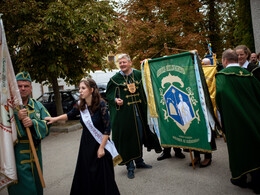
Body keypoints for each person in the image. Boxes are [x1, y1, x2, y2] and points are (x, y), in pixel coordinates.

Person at [45, 78, 120, 195]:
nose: (80, 91)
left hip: (100, 144)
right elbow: (69, 115)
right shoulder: (81, 105)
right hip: (86, 145)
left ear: (91, 90)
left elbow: (107, 129)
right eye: (79, 88)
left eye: (83, 88)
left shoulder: (101, 104)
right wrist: (55, 118)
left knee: (102, 175)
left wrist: (101, 148)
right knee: (86, 173)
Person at [106, 54, 162, 179]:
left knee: (140, 137)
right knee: (128, 140)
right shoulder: (115, 79)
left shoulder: (138, 74)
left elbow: (147, 88)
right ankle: (130, 167)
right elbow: (108, 94)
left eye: (124, 62)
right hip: (124, 115)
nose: (122, 65)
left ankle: (140, 162)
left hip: (139, 113)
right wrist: (115, 100)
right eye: (120, 63)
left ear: (130, 63)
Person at [216, 49, 260, 193]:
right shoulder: (249, 75)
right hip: (254, 118)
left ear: (225, 61)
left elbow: (220, 95)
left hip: (235, 121)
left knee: (238, 149)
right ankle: (256, 180)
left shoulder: (221, 77)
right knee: (254, 147)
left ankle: (240, 178)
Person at [8, 72, 51, 195]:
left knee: (37, 189)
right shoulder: (9, 108)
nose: (23, 89)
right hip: (17, 159)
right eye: (19, 86)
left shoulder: (38, 106)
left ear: (31, 88)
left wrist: (33, 123)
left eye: (26, 86)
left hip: (36, 156)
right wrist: (16, 117)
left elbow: (48, 123)